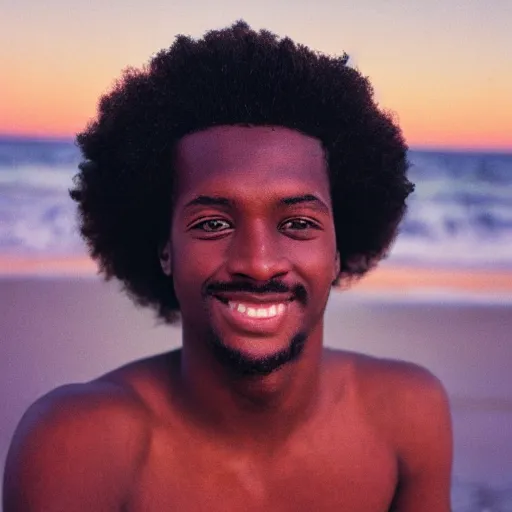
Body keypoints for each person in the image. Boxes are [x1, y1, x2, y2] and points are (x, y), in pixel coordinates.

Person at [3, 20, 452, 511]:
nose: (258, 265)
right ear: (165, 249)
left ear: (339, 248)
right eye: (213, 224)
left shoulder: (409, 416)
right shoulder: (77, 444)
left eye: (298, 223)